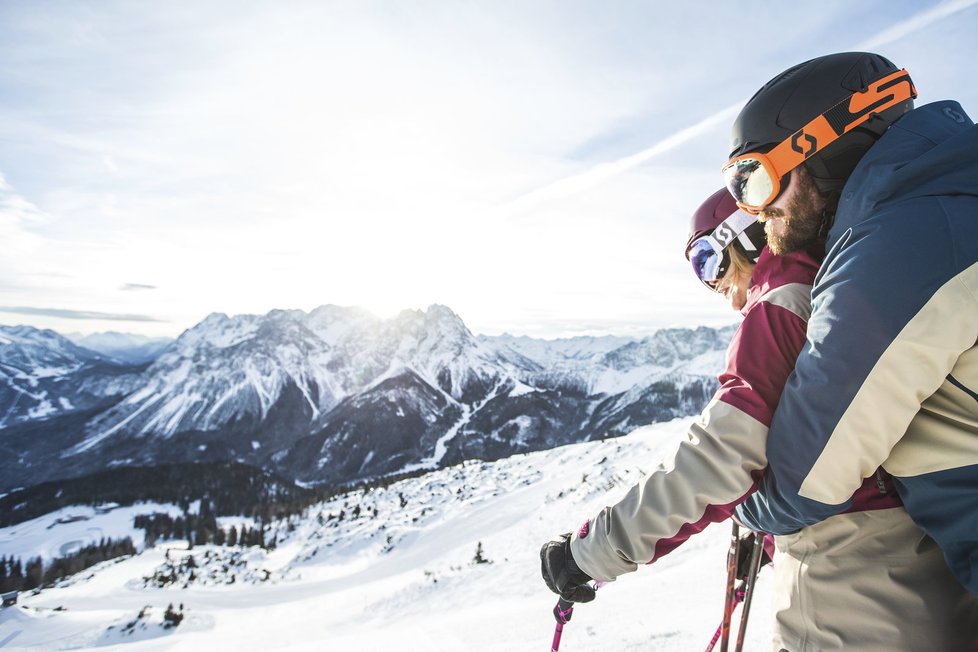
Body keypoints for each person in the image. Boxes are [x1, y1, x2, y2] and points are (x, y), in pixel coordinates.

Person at [541, 188, 978, 649]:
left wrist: (591, 551)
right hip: (913, 556)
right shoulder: (840, 283)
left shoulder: (779, 304)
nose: (723, 293)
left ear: (749, 233)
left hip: (842, 570)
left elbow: (721, 451)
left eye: (710, 261)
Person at [721, 51, 978, 606]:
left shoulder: (900, 243)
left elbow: (807, 476)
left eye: (756, 179)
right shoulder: (952, 192)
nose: (752, 211)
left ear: (823, 149)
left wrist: (739, 503)